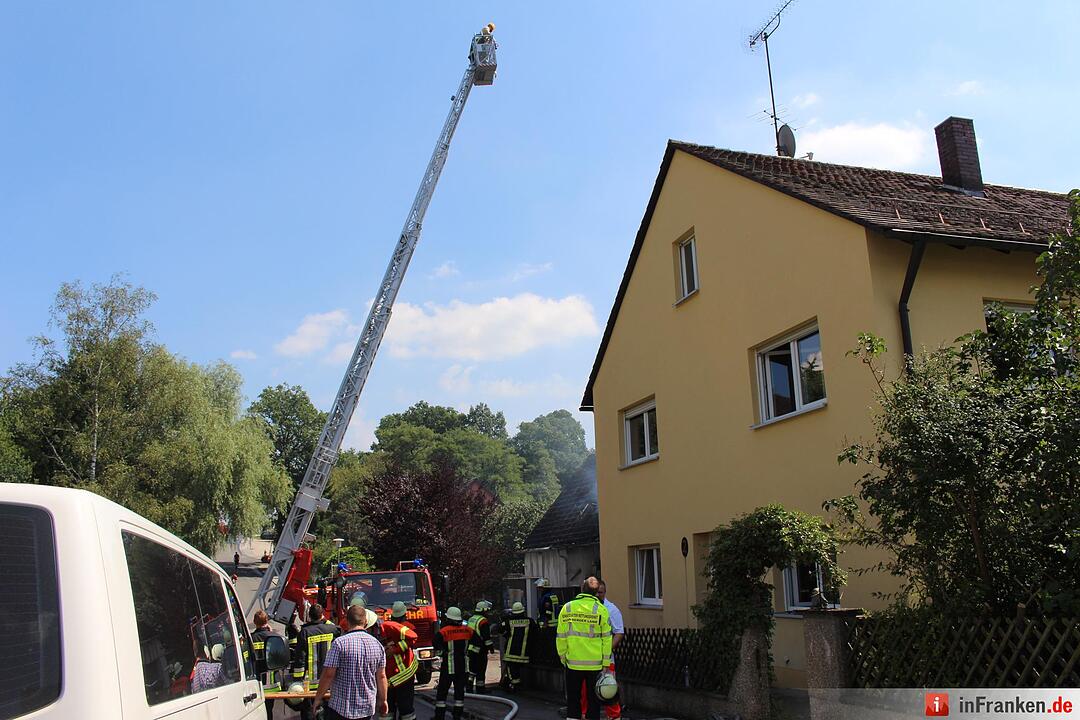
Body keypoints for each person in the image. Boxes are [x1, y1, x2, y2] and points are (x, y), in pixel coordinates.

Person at [312, 604, 389, 720]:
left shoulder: (339, 644)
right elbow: (382, 676)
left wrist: (318, 698)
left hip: (341, 709)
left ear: (347, 621)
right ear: (366, 621)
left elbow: (328, 675)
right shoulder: (377, 645)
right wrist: (383, 700)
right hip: (366, 709)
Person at [557, 577, 612, 720]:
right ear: (596, 593)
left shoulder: (567, 608)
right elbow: (607, 639)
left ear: (582, 589)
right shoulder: (601, 610)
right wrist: (606, 663)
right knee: (594, 702)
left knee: (573, 700)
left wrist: (563, 656)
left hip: (573, 663)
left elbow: (561, 636)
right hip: (595, 664)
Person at [293, 603, 342, 720]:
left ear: (310, 616)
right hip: (331, 682)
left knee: (311, 713)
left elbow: (300, 659)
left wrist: (297, 681)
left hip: (311, 685)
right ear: (322, 615)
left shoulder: (305, 632)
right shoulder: (334, 630)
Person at [434, 606, 481, 720]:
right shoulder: (468, 630)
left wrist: (442, 653)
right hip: (463, 667)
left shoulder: (443, 632)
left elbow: (436, 645)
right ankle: (457, 716)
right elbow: (479, 643)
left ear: (449, 619)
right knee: (459, 694)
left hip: (448, 667)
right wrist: (469, 653)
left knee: (442, 693)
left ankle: (439, 717)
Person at [379, 601, 420, 720]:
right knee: (405, 709)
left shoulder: (386, 627)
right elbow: (412, 638)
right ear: (405, 614)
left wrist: (393, 649)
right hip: (402, 674)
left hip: (391, 675)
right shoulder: (407, 627)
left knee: (389, 709)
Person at [591, 581, 623, 720]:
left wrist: (606, 651)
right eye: (596, 592)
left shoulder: (611, 609)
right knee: (588, 692)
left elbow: (619, 633)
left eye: (601, 592)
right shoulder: (589, 608)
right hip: (589, 659)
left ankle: (614, 717)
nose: (598, 595)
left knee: (608, 690)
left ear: (605, 592)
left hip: (606, 660)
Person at [251, 610, 283, 720]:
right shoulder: (275, 637)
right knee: (269, 710)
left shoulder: (251, 639)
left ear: (254, 622)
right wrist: (272, 632)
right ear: (267, 621)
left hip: (256, 685)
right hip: (272, 684)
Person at [500, 601, 537, 692]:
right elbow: (536, 633)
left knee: (511, 667)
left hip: (511, 652)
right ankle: (514, 683)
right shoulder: (530, 621)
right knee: (515, 668)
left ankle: (514, 684)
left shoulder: (509, 622)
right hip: (524, 653)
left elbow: (499, 629)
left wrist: (506, 634)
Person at [466, 601, 494, 693]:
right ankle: (480, 689)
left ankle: (469, 687)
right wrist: (491, 648)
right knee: (481, 670)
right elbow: (486, 638)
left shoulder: (471, 619)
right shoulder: (483, 621)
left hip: (470, 649)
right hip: (480, 650)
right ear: (483, 610)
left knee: (472, 670)